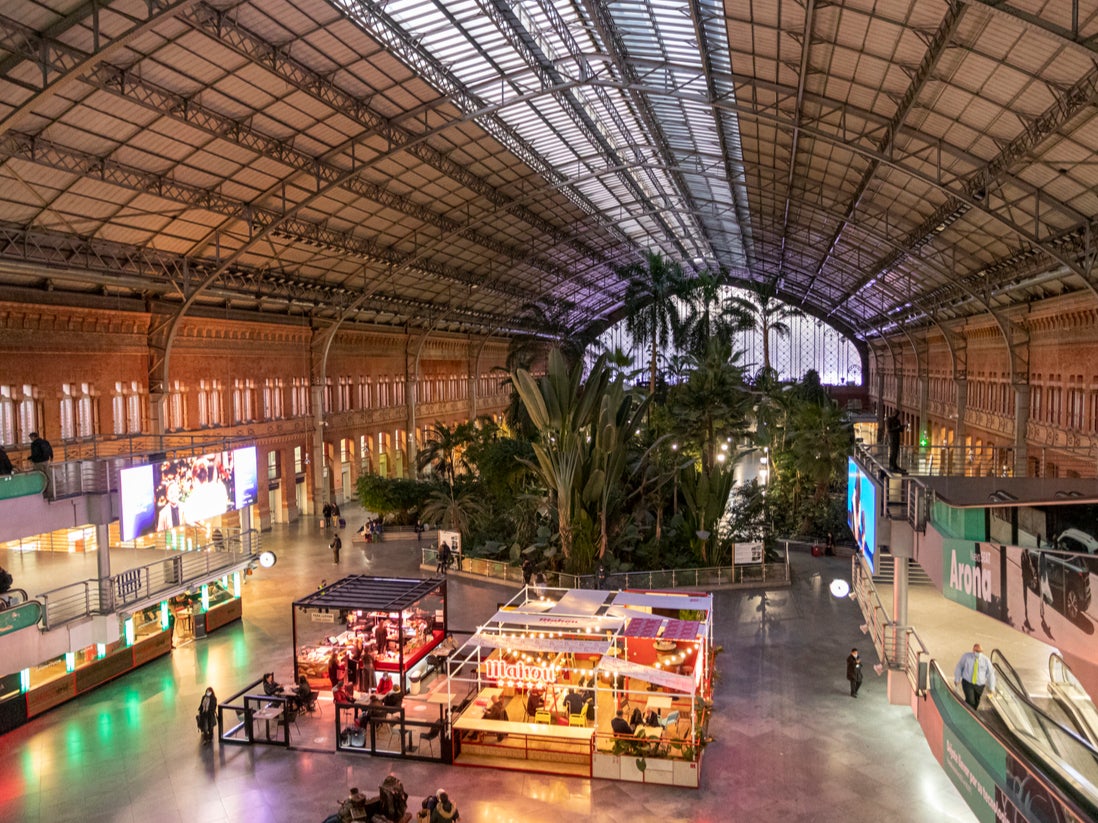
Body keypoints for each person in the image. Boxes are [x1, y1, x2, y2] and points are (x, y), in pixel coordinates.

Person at [954, 643, 996, 709]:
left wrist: (992, 687)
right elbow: (959, 666)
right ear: (973, 650)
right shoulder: (966, 657)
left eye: (980, 651)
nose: (978, 653)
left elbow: (990, 674)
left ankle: (968, 710)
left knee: (976, 703)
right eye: (976, 651)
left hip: (980, 685)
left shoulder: (986, 660)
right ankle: (968, 714)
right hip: (967, 683)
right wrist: (957, 678)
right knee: (970, 702)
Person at [28, 431, 53, 497]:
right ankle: (50, 489)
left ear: (33, 437)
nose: (30, 439)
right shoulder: (45, 441)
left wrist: (30, 458)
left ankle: (42, 488)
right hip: (46, 460)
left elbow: (35, 454)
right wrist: (51, 457)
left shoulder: (34, 444)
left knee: (39, 474)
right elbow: (50, 449)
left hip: (38, 462)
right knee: (48, 474)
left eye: (31, 437)